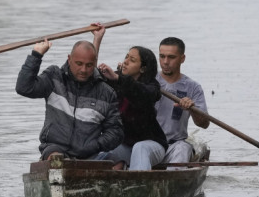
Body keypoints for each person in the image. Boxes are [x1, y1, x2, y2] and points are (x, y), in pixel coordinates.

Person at [16, 33, 122, 160]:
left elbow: (116, 132)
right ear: (69, 59)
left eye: (89, 65)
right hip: (54, 149)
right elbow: (24, 88)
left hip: (89, 155)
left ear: (94, 63)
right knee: (57, 159)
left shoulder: (106, 93)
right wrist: (36, 55)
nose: (83, 70)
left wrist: (94, 145)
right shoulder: (54, 77)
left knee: (117, 163)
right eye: (79, 63)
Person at [93, 37, 169, 171]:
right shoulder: (115, 82)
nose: (125, 62)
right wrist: (97, 39)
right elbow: (90, 75)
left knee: (140, 148)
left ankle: (139, 186)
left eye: (132, 60)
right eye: (126, 57)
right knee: (96, 152)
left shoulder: (152, 87)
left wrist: (118, 78)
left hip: (152, 145)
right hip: (125, 146)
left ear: (143, 69)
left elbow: (142, 93)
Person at [156, 36, 210, 166]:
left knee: (183, 148)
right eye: (162, 56)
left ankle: (173, 178)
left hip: (176, 144)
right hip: (150, 142)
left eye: (171, 57)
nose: (165, 62)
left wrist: (192, 109)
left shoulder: (193, 87)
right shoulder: (148, 81)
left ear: (182, 59)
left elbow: (204, 124)